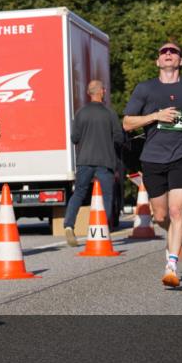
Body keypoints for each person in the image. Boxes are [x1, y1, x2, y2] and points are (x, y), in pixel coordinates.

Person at [123, 41, 182, 288]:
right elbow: (127, 123)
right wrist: (155, 116)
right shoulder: (145, 89)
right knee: (161, 215)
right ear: (158, 61)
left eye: (174, 52)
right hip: (152, 159)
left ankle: (171, 264)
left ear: (181, 61)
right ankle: (174, 234)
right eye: (164, 52)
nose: (169, 54)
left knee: (176, 211)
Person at [63, 80, 124, 246]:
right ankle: (104, 229)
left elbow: (74, 138)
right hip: (105, 161)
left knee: (79, 193)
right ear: (102, 92)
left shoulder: (81, 113)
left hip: (84, 160)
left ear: (89, 93)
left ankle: (69, 225)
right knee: (107, 195)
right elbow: (119, 138)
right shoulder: (110, 113)